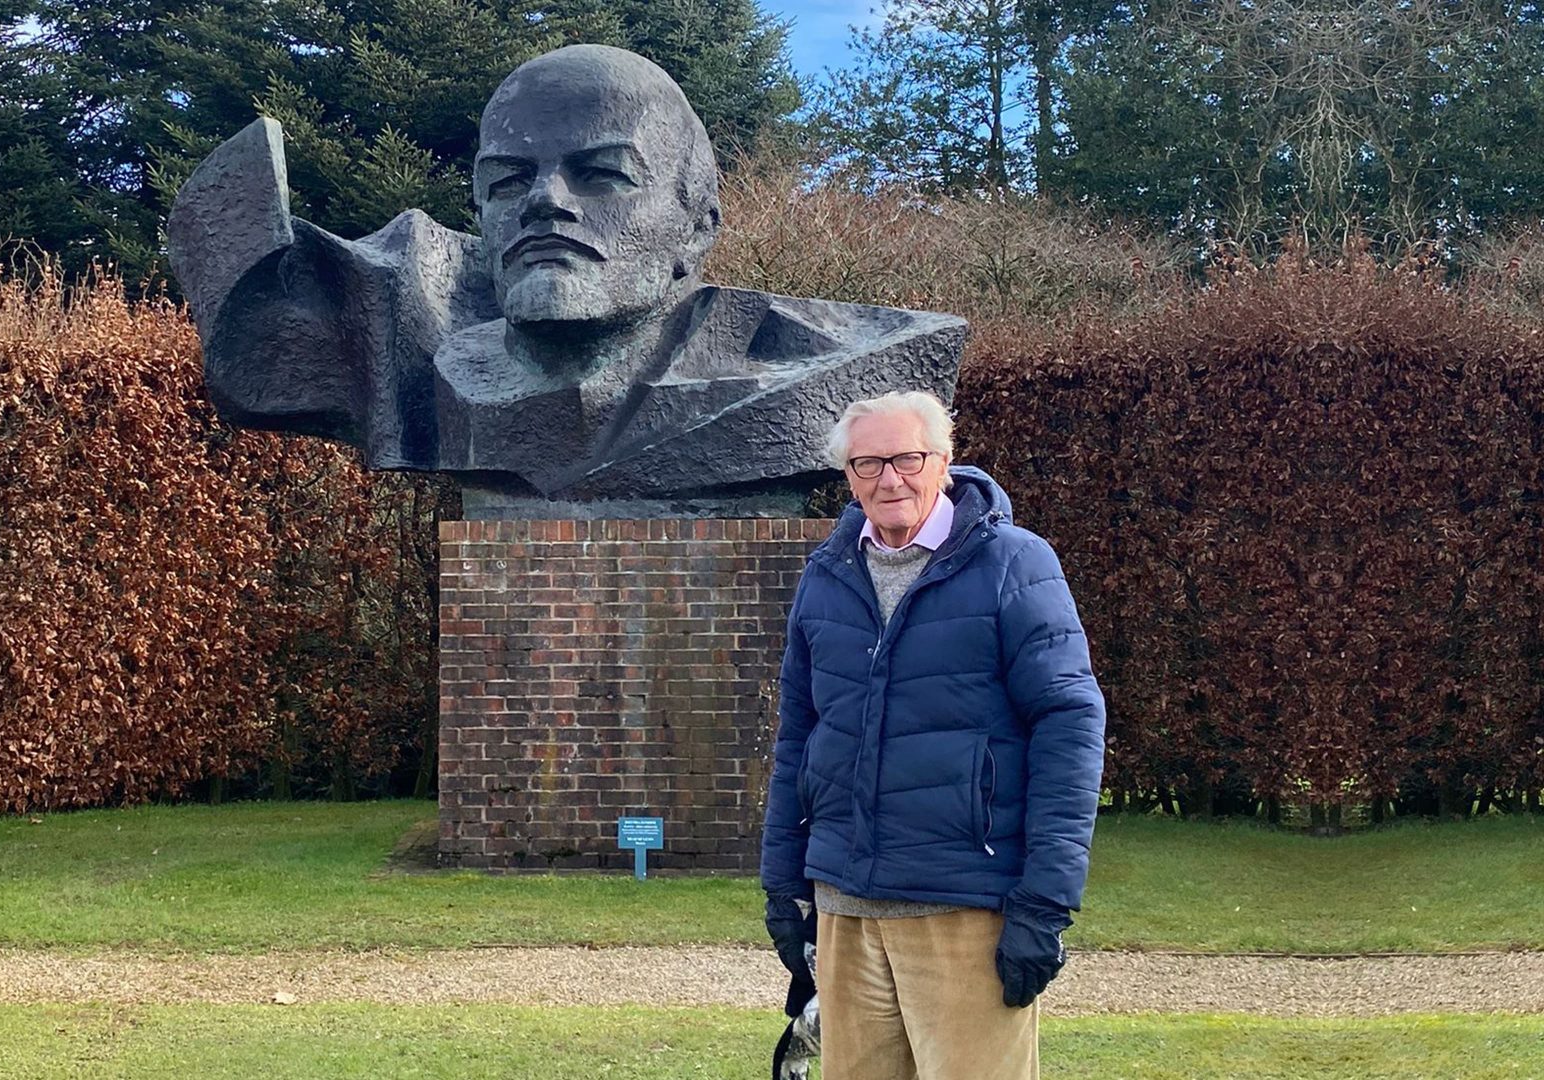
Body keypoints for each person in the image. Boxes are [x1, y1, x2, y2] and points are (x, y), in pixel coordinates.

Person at [168, 45, 965, 509]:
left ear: (698, 223)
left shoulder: (831, 369)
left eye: (602, 174)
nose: (546, 202)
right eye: (509, 180)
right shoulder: (402, 363)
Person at [760, 390, 1107, 1079]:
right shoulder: (827, 575)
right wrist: (782, 882)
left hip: (966, 908)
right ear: (848, 476)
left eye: (908, 458)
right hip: (846, 909)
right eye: (868, 464)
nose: (890, 479)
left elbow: (1070, 724)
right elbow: (799, 732)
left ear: (943, 461)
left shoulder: (1015, 563)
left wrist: (1045, 905)